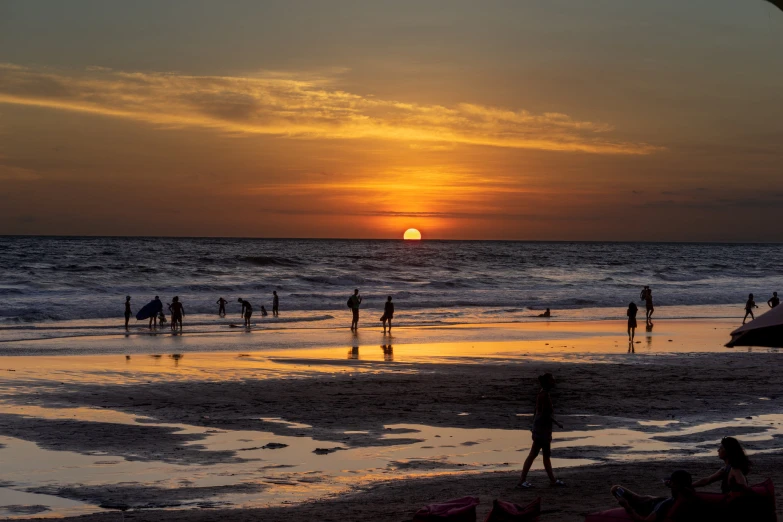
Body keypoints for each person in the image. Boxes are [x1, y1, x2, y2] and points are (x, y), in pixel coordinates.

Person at [517, 373, 565, 489]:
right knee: (537, 455)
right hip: (543, 430)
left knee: (541, 455)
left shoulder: (541, 394)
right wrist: (556, 423)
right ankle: (523, 480)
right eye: (552, 380)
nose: (554, 382)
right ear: (548, 382)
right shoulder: (545, 396)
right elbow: (544, 414)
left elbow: (538, 412)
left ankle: (551, 480)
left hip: (540, 429)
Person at [611, 470, 696, 522]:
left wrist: (626, 506)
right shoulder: (688, 495)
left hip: (647, 507)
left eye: (672, 482)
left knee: (615, 489)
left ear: (675, 484)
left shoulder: (665, 506)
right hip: (654, 500)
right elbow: (685, 488)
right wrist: (672, 485)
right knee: (618, 489)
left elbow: (645, 521)